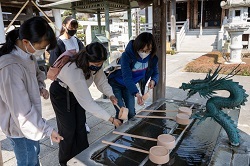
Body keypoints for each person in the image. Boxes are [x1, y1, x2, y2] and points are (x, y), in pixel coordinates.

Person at [0, 16, 63, 166]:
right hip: (19, 127)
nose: (42, 51)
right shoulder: (10, 67)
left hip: (31, 120)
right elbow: (21, 109)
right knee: (28, 161)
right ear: (26, 42)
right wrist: (47, 130)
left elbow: (37, 73)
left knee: (34, 157)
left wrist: (40, 86)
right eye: (41, 47)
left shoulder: (27, 55)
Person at [49, 42, 122, 166]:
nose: (98, 67)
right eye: (96, 64)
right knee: (68, 129)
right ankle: (65, 162)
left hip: (76, 92)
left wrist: (111, 95)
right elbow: (88, 103)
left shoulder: (95, 64)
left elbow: (101, 81)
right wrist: (111, 119)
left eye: (101, 64)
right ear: (87, 58)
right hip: (61, 94)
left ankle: (84, 158)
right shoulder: (74, 70)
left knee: (81, 126)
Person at [48, 16, 91, 133]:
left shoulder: (76, 40)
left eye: (75, 28)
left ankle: (82, 124)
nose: (73, 30)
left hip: (78, 78)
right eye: (71, 27)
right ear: (64, 26)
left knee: (80, 105)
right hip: (64, 82)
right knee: (69, 111)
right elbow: (53, 63)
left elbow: (84, 55)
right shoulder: (58, 42)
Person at [108, 32, 159, 120]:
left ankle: (131, 132)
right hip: (116, 83)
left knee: (131, 112)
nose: (145, 53)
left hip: (129, 87)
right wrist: (137, 94)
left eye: (148, 51)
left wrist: (153, 80)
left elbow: (155, 72)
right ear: (137, 47)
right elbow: (127, 78)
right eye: (142, 50)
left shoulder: (152, 58)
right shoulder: (127, 56)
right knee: (121, 111)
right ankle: (119, 132)